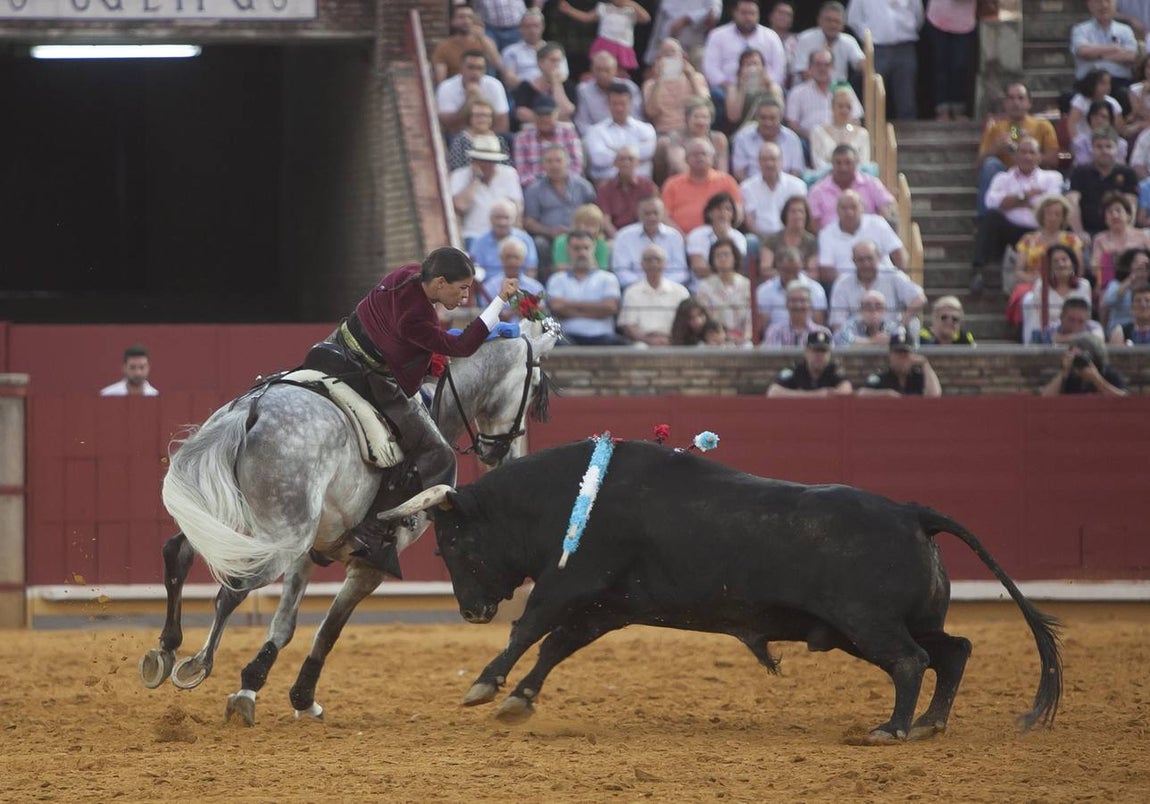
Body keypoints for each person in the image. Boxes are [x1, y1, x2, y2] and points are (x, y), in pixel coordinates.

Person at [317, 247, 519, 570]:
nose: (465, 296)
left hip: (334, 347)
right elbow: (462, 347)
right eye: (462, 288)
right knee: (438, 453)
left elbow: (408, 338)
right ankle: (380, 528)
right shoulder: (419, 317)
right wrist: (499, 302)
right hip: (371, 376)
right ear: (439, 282)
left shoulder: (407, 272)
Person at [970, 135, 1065, 293]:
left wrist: (1010, 202)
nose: (1027, 156)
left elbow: (1050, 205)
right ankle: (978, 272)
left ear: (1039, 156)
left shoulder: (1052, 178)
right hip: (1010, 231)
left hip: (1039, 231)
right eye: (1023, 152)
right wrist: (1026, 195)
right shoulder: (1002, 178)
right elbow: (991, 203)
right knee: (991, 217)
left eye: (1032, 152)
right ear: (1015, 156)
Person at [975, 82, 1061, 215]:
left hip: (1033, 175)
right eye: (1011, 98)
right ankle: (985, 218)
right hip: (1007, 177)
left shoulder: (1042, 125)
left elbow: (1054, 159)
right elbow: (980, 163)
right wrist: (995, 148)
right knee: (990, 164)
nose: (1016, 103)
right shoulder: (995, 127)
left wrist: (1028, 154)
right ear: (1005, 103)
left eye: (1020, 98)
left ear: (1029, 102)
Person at [1006, 194, 1087, 331]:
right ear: (1042, 215)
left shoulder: (1071, 240)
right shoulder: (1028, 240)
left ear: (1063, 217)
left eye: (1057, 214)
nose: (1053, 217)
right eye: (1049, 213)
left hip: (1063, 283)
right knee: (1027, 298)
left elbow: (1079, 269)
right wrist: (1035, 279)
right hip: (1033, 283)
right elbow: (1019, 270)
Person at [703, 0, 788, 129]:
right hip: (728, 86)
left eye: (752, 13)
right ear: (735, 13)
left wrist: (766, 81)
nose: (748, 17)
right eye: (744, 13)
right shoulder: (718, 35)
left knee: (782, 93)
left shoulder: (771, 37)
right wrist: (728, 84)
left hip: (763, 86)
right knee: (716, 95)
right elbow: (710, 68)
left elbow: (779, 69)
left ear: (758, 15)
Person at [523, 143, 597, 275]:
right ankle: (548, 280)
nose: (554, 165)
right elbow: (529, 222)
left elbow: (593, 213)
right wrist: (550, 231)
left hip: (581, 234)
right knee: (539, 244)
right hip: (548, 236)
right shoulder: (534, 189)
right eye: (549, 161)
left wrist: (581, 230)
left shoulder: (583, 186)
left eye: (558, 160)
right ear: (542, 165)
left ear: (568, 162)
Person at [545, 229, 626, 345]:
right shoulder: (557, 279)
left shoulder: (608, 278)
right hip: (567, 337)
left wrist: (571, 306)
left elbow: (610, 307)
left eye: (586, 248)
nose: (582, 253)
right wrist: (596, 308)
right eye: (577, 249)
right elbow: (557, 307)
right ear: (569, 250)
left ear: (593, 249)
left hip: (602, 337)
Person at [847, 0, 924, 120]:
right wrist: (868, 35)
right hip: (876, 49)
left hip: (904, 47)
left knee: (906, 95)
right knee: (873, 93)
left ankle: (909, 130)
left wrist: (909, 28)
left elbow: (918, 16)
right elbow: (853, 19)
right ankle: (872, 130)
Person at [828, 241, 926, 335]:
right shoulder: (842, 284)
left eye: (869, 258)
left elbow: (919, 298)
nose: (866, 264)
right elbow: (837, 324)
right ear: (853, 260)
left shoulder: (893, 275)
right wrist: (867, 342)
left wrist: (901, 326)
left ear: (878, 257)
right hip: (856, 342)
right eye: (860, 260)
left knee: (913, 323)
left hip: (891, 337)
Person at [817, 191, 906, 287]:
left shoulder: (878, 223)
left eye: (853, 207)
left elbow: (899, 254)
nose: (849, 212)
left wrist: (897, 281)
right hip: (846, 288)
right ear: (837, 210)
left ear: (862, 208)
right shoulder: (826, 234)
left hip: (884, 284)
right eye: (844, 208)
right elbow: (826, 270)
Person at [449, 134, 524, 247]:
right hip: (473, 235)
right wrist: (475, 180)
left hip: (505, 235)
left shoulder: (509, 174)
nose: (486, 165)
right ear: (473, 160)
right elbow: (460, 206)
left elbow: (518, 208)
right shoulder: (459, 175)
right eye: (482, 160)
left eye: (490, 160)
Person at [661, 137, 743, 235]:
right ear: (686, 159)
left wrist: (720, 233)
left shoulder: (727, 181)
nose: (700, 157)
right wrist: (681, 237)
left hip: (719, 239)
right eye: (695, 154)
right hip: (680, 239)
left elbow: (738, 214)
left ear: (712, 158)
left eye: (704, 154)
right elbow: (664, 217)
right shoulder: (672, 184)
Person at [1066, 128, 1139, 238]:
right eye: (1099, 147)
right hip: (1087, 231)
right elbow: (1072, 202)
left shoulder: (1127, 173)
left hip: (1117, 232)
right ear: (1092, 149)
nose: (1104, 151)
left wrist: (1126, 234)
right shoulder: (1080, 171)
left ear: (1116, 149)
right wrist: (1079, 232)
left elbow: (1131, 206)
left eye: (1108, 146)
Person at [807, 144, 896, 231]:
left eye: (848, 162)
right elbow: (814, 225)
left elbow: (888, 207)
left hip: (869, 239)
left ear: (856, 163)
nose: (843, 168)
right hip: (832, 241)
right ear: (832, 164)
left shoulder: (871, 183)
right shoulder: (817, 191)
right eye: (838, 163)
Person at [617, 244, 691, 346]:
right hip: (643, 342)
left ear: (665, 263)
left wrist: (671, 340)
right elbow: (628, 325)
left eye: (658, 259)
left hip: (675, 341)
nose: (653, 263)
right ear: (642, 264)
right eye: (648, 260)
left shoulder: (680, 292)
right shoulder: (632, 292)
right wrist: (649, 340)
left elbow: (687, 322)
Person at [583, 82, 658, 181]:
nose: (619, 108)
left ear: (631, 103)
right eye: (615, 104)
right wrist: (632, 153)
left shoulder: (646, 128)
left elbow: (648, 151)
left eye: (623, 104)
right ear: (608, 104)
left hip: (640, 182)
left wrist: (614, 151)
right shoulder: (595, 131)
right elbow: (599, 159)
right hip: (607, 183)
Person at [611, 195, 690, 289]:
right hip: (634, 289)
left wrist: (661, 284)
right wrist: (645, 285)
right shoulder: (624, 236)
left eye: (655, 213)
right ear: (639, 214)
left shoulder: (674, 236)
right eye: (647, 213)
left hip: (670, 289)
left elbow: (681, 271)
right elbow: (620, 271)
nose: (652, 217)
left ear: (662, 214)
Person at [784, 49, 862, 143]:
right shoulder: (797, 92)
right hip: (808, 141)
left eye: (826, 65)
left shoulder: (844, 90)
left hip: (842, 142)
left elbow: (856, 119)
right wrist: (815, 137)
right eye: (818, 64)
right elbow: (792, 124)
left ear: (833, 68)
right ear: (809, 67)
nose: (822, 69)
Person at [1021, 245, 1094, 344]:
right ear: (1050, 267)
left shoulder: (1084, 285)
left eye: (1064, 260)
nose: (1061, 264)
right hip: (1049, 337)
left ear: (1072, 264)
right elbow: (1037, 322)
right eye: (1055, 261)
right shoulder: (1041, 286)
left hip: (1078, 335)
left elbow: (1086, 317)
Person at [556, 0, 650, 76]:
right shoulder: (604, 8)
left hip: (622, 46)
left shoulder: (631, 11)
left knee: (619, 72)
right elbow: (586, 17)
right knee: (601, 68)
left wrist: (631, 4)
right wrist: (569, 9)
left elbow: (646, 18)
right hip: (605, 44)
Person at [642, 39, 711, 137]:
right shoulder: (650, 84)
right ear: (658, 60)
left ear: (683, 56)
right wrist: (659, 80)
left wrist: (691, 77)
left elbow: (705, 106)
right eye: (665, 54)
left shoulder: (697, 78)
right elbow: (651, 112)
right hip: (665, 132)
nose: (670, 57)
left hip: (692, 131)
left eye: (673, 52)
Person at [741, 142, 808, 241]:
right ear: (758, 163)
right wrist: (767, 240)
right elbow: (749, 220)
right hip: (761, 237)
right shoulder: (747, 187)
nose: (769, 164)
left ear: (781, 161)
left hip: (791, 236)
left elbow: (802, 217)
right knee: (750, 241)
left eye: (773, 159)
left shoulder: (797, 186)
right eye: (765, 160)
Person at [436, 50, 511, 137]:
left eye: (479, 68)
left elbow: (503, 125)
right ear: (461, 68)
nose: (475, 73)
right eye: (471, 67)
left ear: (485, 70)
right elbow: (448, 126)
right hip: (459, 137)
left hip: (490, 136)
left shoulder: (495, 85)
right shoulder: (446, 87)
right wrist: (468, 102)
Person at [512, 97, 585, 187]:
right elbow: (522, 174)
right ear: (534, 116)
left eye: (548, 115)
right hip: (534, 188)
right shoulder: (522, 138)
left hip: (567, 185)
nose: (545, 119)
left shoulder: (569, 134)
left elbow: (576, 168)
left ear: (556, 114)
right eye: (540, 115)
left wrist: (558, 181)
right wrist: (545, 182)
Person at [924, 0, 978, 121]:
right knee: (940, 66)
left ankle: (958, 109)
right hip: (938, 18)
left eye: (1020, 98)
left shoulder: (1015, 127)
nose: (1016, 102)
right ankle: (941, 110)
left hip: (964, 21)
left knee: (960, 66)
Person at [1088, 191, 1150, 295]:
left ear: (1128, 215)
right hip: (1111, 286)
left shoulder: (1142, 236)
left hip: (1141, 285)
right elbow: (1095, 267)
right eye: (1110, 212)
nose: (1114, 215)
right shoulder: (1100, 239)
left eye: (1118, 210)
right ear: (1105, 218)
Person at [1071, 0, 1138, 93]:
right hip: (1088, 82)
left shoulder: (1125, 30)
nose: (1104, 5)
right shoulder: (1080, 30)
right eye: (1098, 1)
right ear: (1089, 5)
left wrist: (1097, 55)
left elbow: (1130, 55)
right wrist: (1114, 48)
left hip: (1119, 82)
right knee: (1068, 97)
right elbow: (1082, 51)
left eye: (1108, 1)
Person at [695, 238, 752, 346]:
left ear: (734, 257)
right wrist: (721, 337)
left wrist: (745, 337)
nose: (722, 258)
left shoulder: (747, 285)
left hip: (742, 339)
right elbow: (706, 319)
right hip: (715, 340)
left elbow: (751, 318)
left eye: (726, 254)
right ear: (713, 260)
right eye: (718, 255)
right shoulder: (705, 286)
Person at [756, 246, 828, 331]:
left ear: (801, 267)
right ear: (778, 268)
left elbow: (819, 323)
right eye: (787, 271)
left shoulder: (816, 289)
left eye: (795, 271)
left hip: (808, 338)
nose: (791, 275)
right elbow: (761, 326)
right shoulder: (764, 290)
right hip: (775, 340)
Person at [730, 99, 805, 181]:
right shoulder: (743, 139)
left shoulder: (792, 139)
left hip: (786, 190)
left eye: (772, 118)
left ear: (780, 118)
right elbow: (739, 173)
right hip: (752, 189)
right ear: (757, 118)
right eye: (763, 118)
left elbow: (796, 172)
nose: (767, 122)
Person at [791, 1, 864, 85]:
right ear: (819, 20)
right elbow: (803, 72)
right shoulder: (805, 39)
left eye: (837, 21)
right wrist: (825, 90)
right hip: (808, 87)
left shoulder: (849, 41)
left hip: (838, 91)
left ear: (843, 25)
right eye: (828, 20)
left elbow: (861, 63)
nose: (832, 25)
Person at [573, 51, 643, 137]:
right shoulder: (584, 90)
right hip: (596, 138)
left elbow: (637, 118)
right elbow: (582, 123)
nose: (602, 74)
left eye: (607, 70)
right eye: (598, 69)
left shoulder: (630, 88)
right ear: (592, 70)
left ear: (615, 71)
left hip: (627, 135)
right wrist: (599, 137)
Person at [858, 326, 943, 397]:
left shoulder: (918, 377)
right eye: (898, 353)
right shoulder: (881, 377)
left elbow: (935, 395)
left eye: (905, 353)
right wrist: (885, 393)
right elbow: (861, 394)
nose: (902, 358)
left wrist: (925, 364)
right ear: (890, 355)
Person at [662, 96, 732, 181]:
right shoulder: (677, 137)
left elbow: (723, 173)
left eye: (705, 117)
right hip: (684, 183)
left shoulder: (718, 139)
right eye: (696, 117)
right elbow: (679, 166)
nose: (700, 121)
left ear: (711, 120)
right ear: (687, 118)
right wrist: (699, 183)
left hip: (713, 183)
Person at [765, 329, 853, 396]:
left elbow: (847, 390)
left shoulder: (833, 370)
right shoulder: (796, 370)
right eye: (815, 351)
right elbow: (773, 392)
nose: (819, 355)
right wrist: (815, 395)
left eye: (823, 351)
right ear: (806, 352)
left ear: (829, 354)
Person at [596, 145, 658, 238]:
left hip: (644, 235)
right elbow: (605, 221)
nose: (626, 162)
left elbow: (654, 214)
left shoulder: (647, 186)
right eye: (622, 159)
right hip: (615, 236)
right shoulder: (605, 188)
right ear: (615, 163)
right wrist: (620, 238)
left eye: (630, 159)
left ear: (637, 163)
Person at [468, 199, 539, 279]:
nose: (502, 222)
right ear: (490, 219)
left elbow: (531, 270)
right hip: (488, 289)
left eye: (506, 217)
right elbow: (475, 271)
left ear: (514, 219)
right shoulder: (479, 242)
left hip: (520, 286)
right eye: (498, 217)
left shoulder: (525, 239)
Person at [511, 43, 576, 129]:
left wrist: (556, 84)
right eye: (553, 60)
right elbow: (521, 113)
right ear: (540, 62)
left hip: (562, 132)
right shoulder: (526, 86)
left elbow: (567, 111)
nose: (556, 64)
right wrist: (552, 119)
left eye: (559, 61)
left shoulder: (568, 85)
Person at [1038, 333, 1128, 396]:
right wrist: (1063, 372)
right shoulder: (1070, 375)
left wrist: (1097, 380)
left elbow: (1125, 401)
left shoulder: (1108, 373)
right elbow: (1045, 399)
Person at [432, 4, 503, 84]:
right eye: (461, 17)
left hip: (482, 87)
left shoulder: (484, 41)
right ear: (453, 21)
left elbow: (497, 64)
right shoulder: (444, 46)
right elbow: (441, 80)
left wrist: (482, 38)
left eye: (470, 17)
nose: (466, 21)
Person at [809, 85, 872, 174]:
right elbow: (818, 163)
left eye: (848, 107)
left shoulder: (863, 133)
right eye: (840, 106)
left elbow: (864, 163)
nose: (844, 110)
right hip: (826, 180)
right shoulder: (818, 131)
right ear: (832, 107)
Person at [686, 192, 749, 280]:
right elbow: (699, 269)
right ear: (709, 213)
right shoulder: (696, 235)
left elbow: (736, 268)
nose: (723, 213)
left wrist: (724, 235)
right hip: (702, 286)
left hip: (731, 287)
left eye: (728, 209)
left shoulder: (738, 238)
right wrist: (725, 271)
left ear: (733, 214)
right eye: (718, 209)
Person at [723, 49, 787, 132]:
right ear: (740, 69)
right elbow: (733, 117)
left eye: (755, 64)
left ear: (763, 68)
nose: (752, 68)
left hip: (769, 129)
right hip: (743, 130)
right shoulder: (734, 89)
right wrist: (742, 88)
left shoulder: (773, 87)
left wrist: (769, 88)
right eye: (747, 64)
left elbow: (780, 114)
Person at [642, 0, 721, 67]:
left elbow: (713, 14)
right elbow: (659, 25)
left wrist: (686, 19)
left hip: (694, 47)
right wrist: (651, 58)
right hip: (669, 47)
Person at [479, 237, 546, 315]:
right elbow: (486, 315)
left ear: (523, 260)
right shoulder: (490, 287)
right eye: (508, 257)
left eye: (516, 257)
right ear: (501, 258)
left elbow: (542, 312)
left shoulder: (535, 287)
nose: (512, 261)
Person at [446, 98, 512, 172]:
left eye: (486, 115)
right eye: (478, 115)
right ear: (469, 117)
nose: (483, 119)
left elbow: (506, 166)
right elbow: (456, 169)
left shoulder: (500, 140)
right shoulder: (460, 141)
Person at [500, 9, 557, 90]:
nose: (532, 30)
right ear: (521, 28)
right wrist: (532, 87)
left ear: (543, 27)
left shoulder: (553, 50)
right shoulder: (511, 51)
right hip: (523, 93)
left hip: (550, 90)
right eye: (528, 26)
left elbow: (563, 74)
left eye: (536, 26)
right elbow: (509, 78)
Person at [762, 281, 831, 347]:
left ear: (810, 304)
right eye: (794, 301)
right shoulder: (775, 332)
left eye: (803, 301)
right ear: (786, 303)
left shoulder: (822, 333)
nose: (798, 305)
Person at [761, 196, 819, 274]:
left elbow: (813, 272)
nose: (798, 215)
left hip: (803, 283)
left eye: (801, 211)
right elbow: (765, 269)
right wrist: (786, 277)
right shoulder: (771, 240)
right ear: (786, 215)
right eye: (793, 211)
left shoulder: (811, 241)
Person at [832, 288, 905, 347]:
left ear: (884, 311)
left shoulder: (892, 327)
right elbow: (845, 340)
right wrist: (873, 341)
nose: (873, 311)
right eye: (868, 307)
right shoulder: (850, 324)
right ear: (861, 310)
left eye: (878, 307)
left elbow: (900, 341)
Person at [1067, 70, 1126, 143]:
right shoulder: (1080, 100)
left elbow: (1118, 128)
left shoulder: (1113, 103)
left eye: (1108, 83)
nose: (1107, 87)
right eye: (1103, 83)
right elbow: (1072, 124)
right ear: (1092, 84)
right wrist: (1076, 143)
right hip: (1083, 141)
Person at [1102, 247, 1150, 331]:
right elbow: (1109, 301)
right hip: (1119, 329)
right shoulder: (1116, 284)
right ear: (1129, 264)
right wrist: (1131, 279)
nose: (1141, 266)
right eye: (1137, 262)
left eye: (1145, 263)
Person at [552, 203, 611, 270]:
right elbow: (559, 267)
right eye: (586, 224)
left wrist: (591, 250)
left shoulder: (601, 244)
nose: (590, 229)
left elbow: (602, 271)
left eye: (594, 225)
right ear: (577, 223)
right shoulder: (561, 241)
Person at [1071, 101, 1130, 167]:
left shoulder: (1121, 144)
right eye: (1095, 116)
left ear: (1110, 120)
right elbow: (1082, 164)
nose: (1099, 120)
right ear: (1090, 119)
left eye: (1103, 117)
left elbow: (1120, 166)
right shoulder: (1079, 142)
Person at [1029, 296, 1107, 345]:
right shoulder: (1051, 329)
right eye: (1071, 320)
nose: (1075, 325)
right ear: (1061, 317)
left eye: (1080, 321)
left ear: (1087, 320)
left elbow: (1098, 340)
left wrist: (1062, 339)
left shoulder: (1094, 327)